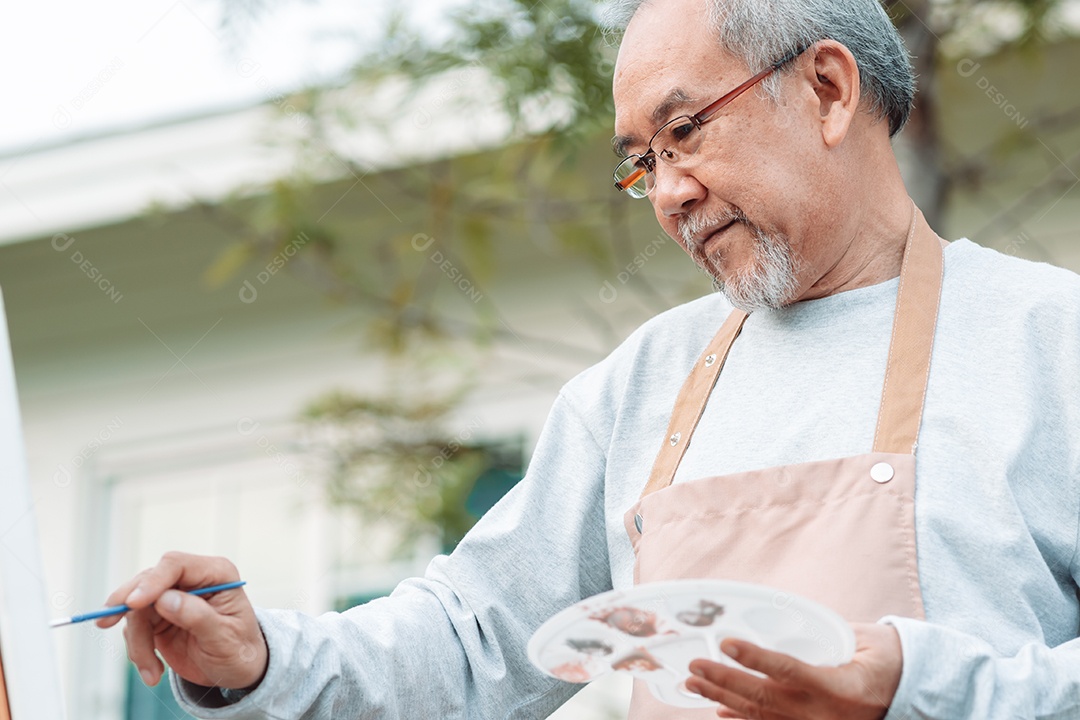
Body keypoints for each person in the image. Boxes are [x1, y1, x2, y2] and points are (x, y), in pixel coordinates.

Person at [97, 0, 1080, 717]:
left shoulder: (1049, 339)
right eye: (641, 162)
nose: (667, 194)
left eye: (685, 132)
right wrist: (263, 656)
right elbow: (476, 640)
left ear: (826, 90)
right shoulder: (637, 389)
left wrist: (918, 686)